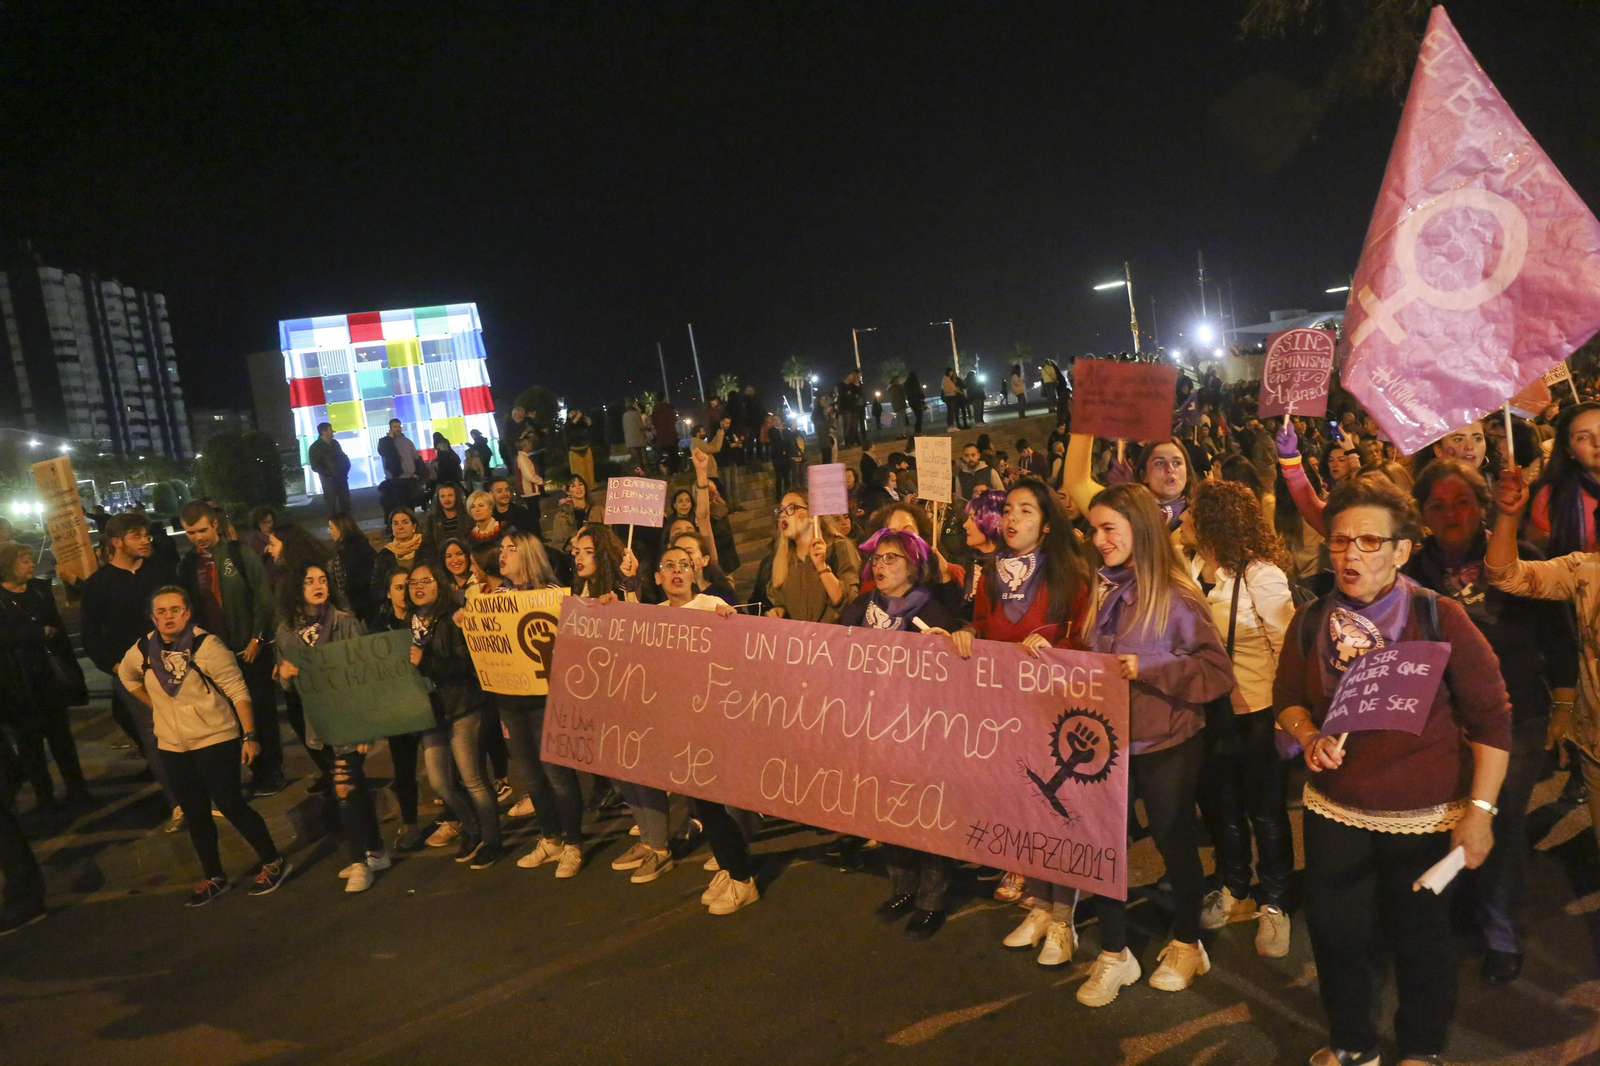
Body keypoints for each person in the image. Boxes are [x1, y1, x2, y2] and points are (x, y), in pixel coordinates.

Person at [1279, 477, 1510, 1066]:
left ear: (1402, 550)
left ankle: (1421, 1049)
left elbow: (1491, 721)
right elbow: (1288, 701)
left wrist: (1480, 813)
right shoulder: (1311, 619)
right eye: (1339, 541)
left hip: (1423, 817)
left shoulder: (1438, 617)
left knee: (1420, 940)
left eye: (1369, 542)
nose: (1350, 555)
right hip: (1336, 810)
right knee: (1336, 935)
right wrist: (1308, 737)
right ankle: (1354, 1043)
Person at [1408, 459, 1575, 984]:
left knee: (1497, 822)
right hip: (1444, 719)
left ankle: (1503, 934)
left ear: (1481, 505)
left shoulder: (1520, 557)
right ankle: (1461, 910)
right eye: (1438, 504)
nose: (1451, 513)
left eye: (1462, 501)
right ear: (1423, 514)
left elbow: (1557, 633)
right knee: (1449, 817)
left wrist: (1564, 702)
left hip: (1516, 715)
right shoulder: (1410, 573)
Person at [1069, 483, 1232, 1006]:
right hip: (1108, 745)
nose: (1099, 539)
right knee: (1103, 845)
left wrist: (1150, 667)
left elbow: (1216, 671)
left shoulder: (1178, 596)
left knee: (1173, 841)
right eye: (1094, 529)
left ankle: (1187, 943)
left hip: (1166, 742)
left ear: (1139, 529)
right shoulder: (1102, 590)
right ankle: (1114, 952)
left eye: (1108, 528)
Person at [936, 480, 1092, 948]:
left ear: (1045, 525)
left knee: (1058, 811)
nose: (1012, 519)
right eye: (1008, 510)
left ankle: (1063, 917)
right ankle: (1041, 904)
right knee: (1025, 806)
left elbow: (1088, 638)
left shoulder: (1070, 574)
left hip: (1054, 709)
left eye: (1025, 510)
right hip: (1007, 709)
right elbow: (987, 623)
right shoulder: (991, 573)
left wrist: (1058, 645)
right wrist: (968, 632)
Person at [119, 586, 292, 905]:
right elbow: (126, 676)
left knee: (230, 804)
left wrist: (249, 736)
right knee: (195, 812)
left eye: (175, 610)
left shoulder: (206, 645)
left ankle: (273, 860)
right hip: (172, 746)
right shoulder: (143, 649)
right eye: (161, 611)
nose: (168, 617)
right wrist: (156, 707)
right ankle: (214, 875)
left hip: (215, 738)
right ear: (152, 617)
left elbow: (238, 691)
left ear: (187, 613)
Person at [1188, 480, 1296, 959]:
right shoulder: (1189, 568)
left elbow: (1287, 649)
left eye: (1192, 513)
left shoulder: (1260, 575)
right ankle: (1234, 887)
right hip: (1209, 712)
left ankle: (1275, 901)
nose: (1183, 519)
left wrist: (1288, 718)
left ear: (1213, 521)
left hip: (1258, 713)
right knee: (1221, 807)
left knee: (1266, 811)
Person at [840, 528, 959, 936]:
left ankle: (932, 896)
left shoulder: (933, 612)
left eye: (892, 558)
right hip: (872, 724)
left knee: (924, 810)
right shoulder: (861, 607)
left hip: (919, 729)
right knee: (885, 806)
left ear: (913, 567)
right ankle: (903, 884)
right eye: (877, 558)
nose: (881, 565)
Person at [272, 560, 387, 892]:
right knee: (355, 788)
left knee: (344, 788)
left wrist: (367, 728)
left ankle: (358, 863)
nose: (318, 586)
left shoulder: (345, 623)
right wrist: (285, 675)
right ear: (297, 589)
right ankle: (376, 850)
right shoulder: (286, 631)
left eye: (322, 580)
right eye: (310, 581)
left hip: (351, 721)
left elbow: (366, 675)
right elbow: (288, 684)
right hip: (318, 725)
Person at [495, 532, 587, 879]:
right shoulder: (495, 599)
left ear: (529, 555)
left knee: (558, 775)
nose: (503, 554)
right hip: (509, 701)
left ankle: (574, 843)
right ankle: (551, 838)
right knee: (531, 778)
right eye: (501, 548)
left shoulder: (552, 596)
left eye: (511, 548)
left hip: (546, 701)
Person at [81, 512, 181, 824]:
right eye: (136, 536)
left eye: (145, 534)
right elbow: (90, 634)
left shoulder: (160, 572)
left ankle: (204, 791)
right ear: (116, 542)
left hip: (174, 664)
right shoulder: (99, 585)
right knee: (154, 735)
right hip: (133, 675)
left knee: (190, 725)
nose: (144, 541)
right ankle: (178, 802)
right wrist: (113, 666)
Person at [177, 502, 283, 796]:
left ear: (215, 525)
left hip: (249, 650)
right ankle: (246, 772)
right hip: (214, 655)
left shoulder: (240, 553)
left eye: (202, 530)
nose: (197, 537)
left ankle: (271, 771)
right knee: (228, 717)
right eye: (190, 532)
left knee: (261, 711)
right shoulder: (188, 566)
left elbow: (263, 599)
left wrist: (257, 638)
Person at [407, 561, 504, 868]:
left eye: (426, 581)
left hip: (462, 706)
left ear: (439, 584)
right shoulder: (408, 623)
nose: (419, 587)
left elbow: (465, 665)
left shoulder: (454, 618)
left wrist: (425, 663)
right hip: (430, 712)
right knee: (439, 781)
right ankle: (472, 829)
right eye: (413, 583)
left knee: (473, 778)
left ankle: (492, 840)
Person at [0, 543, 92, 810]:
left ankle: (77, 790)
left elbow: (59, 632)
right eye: (24, 561)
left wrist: (71, 672)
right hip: (17, 683)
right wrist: (36, 634)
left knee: (62, 738)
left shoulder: (39, 590)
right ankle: (44, 798)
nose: (31, 565)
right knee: (30, 745)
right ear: (7, 566)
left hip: (49, 677)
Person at [370, 567, 427, 851]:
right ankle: (411, 824)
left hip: (426, 701)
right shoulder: (379, 626)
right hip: (398, 706)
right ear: (389, 593)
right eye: (399, 587)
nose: (405, 591)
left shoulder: (424, 619)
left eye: (409, 584)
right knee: (403, 771)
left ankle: (455, 818)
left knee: (442, 768)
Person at [766, 492, 860, 623]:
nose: (783, 515)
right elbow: (781, 602)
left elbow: (851, 602)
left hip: (833, 635)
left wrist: (822, 567)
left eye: (792, 508)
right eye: (781, 510)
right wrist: (779, 611)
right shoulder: (783, 559)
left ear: (811, 516)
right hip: (800, 636)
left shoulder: (838, 547)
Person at [1527, 401, 1600, 554]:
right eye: (1583, 437)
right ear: (1570, 451)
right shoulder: (1552, 496)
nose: (1597, 442)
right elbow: (1540, 558)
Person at [370, 508, 429, 609]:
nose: (400, 527)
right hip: (396, 608)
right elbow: (376, 587)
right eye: (395, 523)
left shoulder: (428, 549)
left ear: (414, 526)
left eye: (405, 522)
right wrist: (393, 595)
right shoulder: (385, 554)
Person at [308, 422, 352, 518]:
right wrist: (329, 474)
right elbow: (315, 466)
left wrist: (345, 468)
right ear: (323, 432)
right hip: (328, 480)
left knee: (345, 503)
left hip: (341, 478)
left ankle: (347, 522)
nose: (332, 433)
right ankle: (334, 523)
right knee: (331, 505)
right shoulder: (315, 448)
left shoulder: (335, 444)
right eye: (330, 430)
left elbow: (343, 457)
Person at [545, 475, 594, 556]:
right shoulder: (561, 516)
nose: (578, 488)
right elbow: (557, 544)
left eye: (580, 484)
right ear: (568, 491)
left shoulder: (597, 510)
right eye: (573, 486)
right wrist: (574, 548)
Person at [377, 418, 421, 504]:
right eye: (395, 427)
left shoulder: (407, 442)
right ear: (390, 428)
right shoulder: (384, 442)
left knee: (409, 502)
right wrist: (389, 439)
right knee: (398, 503)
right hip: (394, 478)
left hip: (409, 477)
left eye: (399, 426)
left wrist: (416, 473)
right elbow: (383, 452)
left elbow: (415, 457)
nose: (398, 429)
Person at [565, 407, 595, 489]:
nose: (574, 415)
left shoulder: (582, 423)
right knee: (578, 471)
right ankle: (580, 487)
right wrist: (577, 417)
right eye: (571, 413)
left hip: (586, 447)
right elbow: (569, 427)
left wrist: (585, 417)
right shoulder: (567, 425)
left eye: (574, 413)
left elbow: (590, 425)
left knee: (589, 470)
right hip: (574, 450)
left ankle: (591, 485)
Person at [515, 434, 544, 502]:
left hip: (530, 491)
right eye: (528, 443)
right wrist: (540, 481)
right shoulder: (523, 459)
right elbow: (529, 475)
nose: (531, 444)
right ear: (524, 446)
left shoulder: (524, 457)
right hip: (529, 491)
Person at [623, 399, 649, 470]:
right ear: (633, 404)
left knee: (636, 460)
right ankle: (647, 472)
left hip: (630, 441)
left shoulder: (624, 415)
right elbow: (641, 426)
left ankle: (639, 474)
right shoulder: (636, 414)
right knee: (643, 458)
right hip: (639, 440)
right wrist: (646, 426)